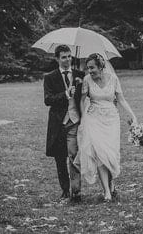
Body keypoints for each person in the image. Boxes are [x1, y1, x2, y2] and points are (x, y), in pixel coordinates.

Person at [75, 53, 137, 202]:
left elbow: (121, 99)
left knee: (110, 154)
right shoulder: (87, 80)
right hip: (94, 118)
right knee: (99, 153)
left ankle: (112, 185)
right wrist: (83, 118)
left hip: (111, 120)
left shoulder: (113, 79)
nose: (90, 71)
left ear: (101, 66)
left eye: (92, 67)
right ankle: (107, 192)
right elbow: (82, 101)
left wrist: (132, 115)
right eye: (88, 68)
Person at [43, 44, 85, 202]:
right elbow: (48, 100)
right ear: (57, 59)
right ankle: (65, 190)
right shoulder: (50, 77)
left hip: (75, 121)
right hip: (58, 123)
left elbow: (86, 96)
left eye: (69, 56)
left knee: (74, 156)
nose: (67, 60)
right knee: (60, 158)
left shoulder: (79, 74)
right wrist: (65, 94)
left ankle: (76, 191)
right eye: (63, 57)